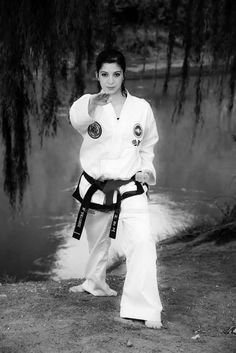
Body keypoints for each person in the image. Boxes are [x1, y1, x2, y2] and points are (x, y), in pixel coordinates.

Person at [69, 48, 163, 329]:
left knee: (143, 241)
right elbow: (76, 119)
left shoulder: (141, 108)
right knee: (97, 242)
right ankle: (95, 284)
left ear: (124, 75)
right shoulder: (90, 105)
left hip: (130, 185)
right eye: (105, 74)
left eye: (116, 74)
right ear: (97, 75)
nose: (110, 81)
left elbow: (148, 146)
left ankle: (143, 307)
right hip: (96, 185)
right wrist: (90, 102)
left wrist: (147, 171)